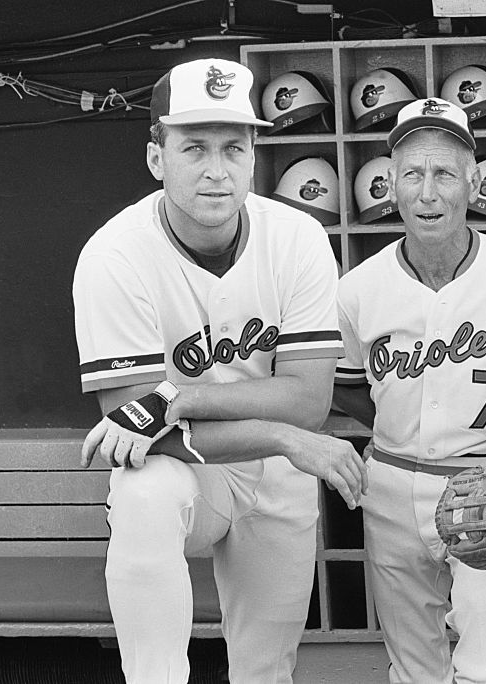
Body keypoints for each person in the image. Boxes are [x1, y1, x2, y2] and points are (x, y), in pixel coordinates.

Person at [72, 57, 367, 684]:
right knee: (141, 490)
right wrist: (283, 435)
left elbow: (309, 401)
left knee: (266, 670)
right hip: (192, 469)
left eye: (234, 147)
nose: (216, 169)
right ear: (156, 156)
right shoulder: (113, 256)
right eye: (194, 147)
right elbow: (133, 428)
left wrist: (176, 397)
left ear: (254, 155)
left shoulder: (298, 238)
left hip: (276, 475)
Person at [331, 97, 486, 684]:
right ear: (391, 185)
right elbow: (352, 391)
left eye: (445, 174)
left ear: (473, 183)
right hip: (392, 483)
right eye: (413, 175)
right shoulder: (357, 291)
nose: (428, 193)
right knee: (411, 660)